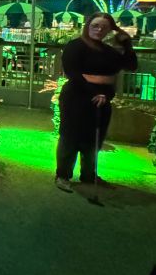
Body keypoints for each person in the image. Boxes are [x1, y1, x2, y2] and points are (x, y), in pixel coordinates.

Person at [55, 12, 137, 192]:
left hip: (103, 99)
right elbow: (72, 73)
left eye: (104, 28)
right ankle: (63, 175)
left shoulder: (108, 51)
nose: (99, 30)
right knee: (71, 137)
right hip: (77, 97)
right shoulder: (75, 46)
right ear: (88, 25)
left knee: (94, 138)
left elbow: (130, 65)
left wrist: (126, 43)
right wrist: (94, 93)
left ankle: (89, 174)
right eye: (95, 26)